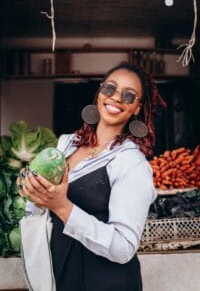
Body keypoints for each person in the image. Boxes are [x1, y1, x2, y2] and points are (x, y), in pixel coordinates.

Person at [18, 62, 165, 291]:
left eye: (129, 95)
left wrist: (63, 207)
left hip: (106, 282)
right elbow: (41, 210)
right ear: (99, 93)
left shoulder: (131, 163)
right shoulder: (67, 144)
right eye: (110, 88)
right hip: (63, 275)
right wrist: (33, 191)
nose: (116, 97)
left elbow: (124, 248)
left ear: (137, 107)